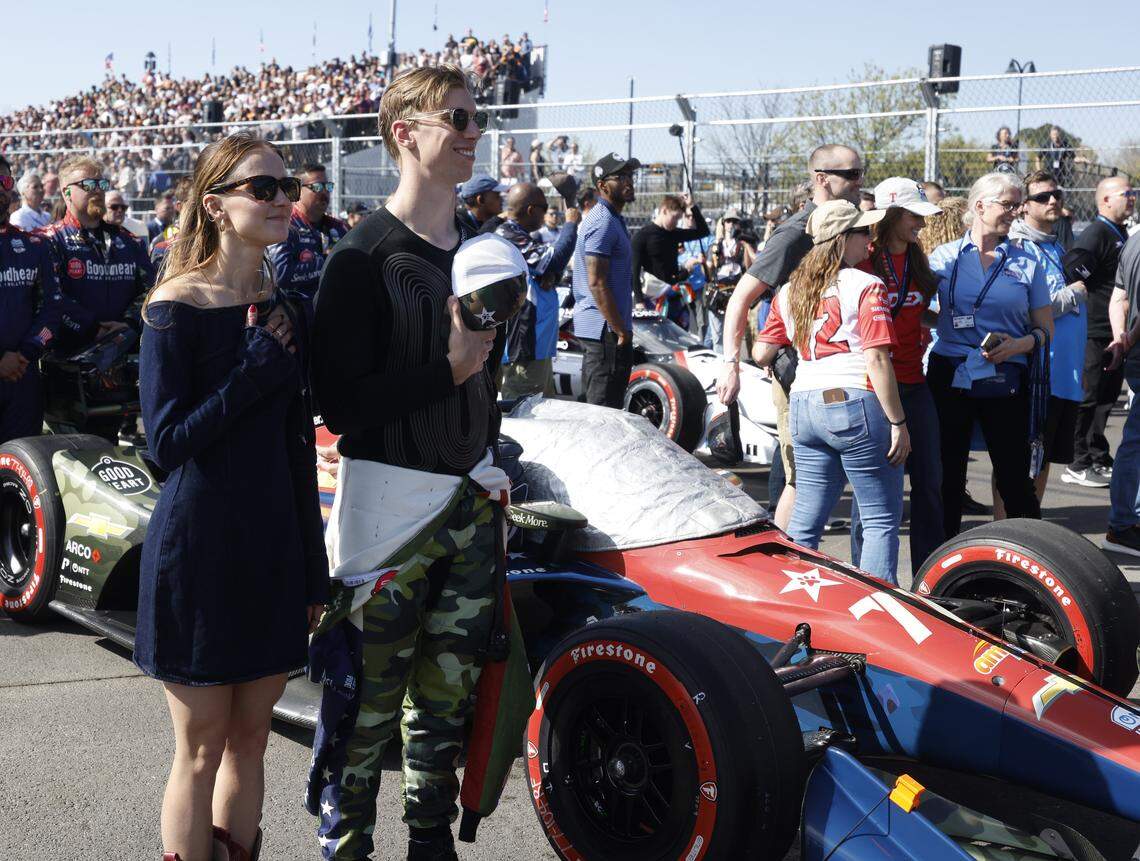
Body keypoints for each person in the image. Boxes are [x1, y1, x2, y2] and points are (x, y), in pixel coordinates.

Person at [309, 65, 509, 861]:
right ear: (405, 134)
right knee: (364, 705)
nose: (471, 132)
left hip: (468, 500)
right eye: (455, 118)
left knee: (446, 698)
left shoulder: (485, 253)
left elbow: (486, 384)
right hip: (388, 512)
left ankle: (429, 839)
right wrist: (448, 373)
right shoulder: (359, 257)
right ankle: (345, 842)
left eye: (475, 117)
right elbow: (342, 405)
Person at [139, 133, 328, 861]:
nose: (283, 199)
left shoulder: (284, 307)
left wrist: (312, 565)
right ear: (216, 205)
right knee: (200, 748)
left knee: (252, 741)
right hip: (199, 547)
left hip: (274, 544)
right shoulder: (173, 307)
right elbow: (166, 444)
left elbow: (297, 448)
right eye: (264, 188)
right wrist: (251, 371)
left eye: (285, 187)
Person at [753, 200, 908, 583]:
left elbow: (761, 352)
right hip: (854, 398)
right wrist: (899, 422)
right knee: (879, 516)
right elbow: (877, 360)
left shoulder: (791, 290)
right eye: (863, 233)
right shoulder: (866, 284)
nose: (870, 242)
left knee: (806, 515)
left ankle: (790, 599)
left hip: (805, 403)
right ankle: (879, 610)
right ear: (841, 240)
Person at [716, 143, 864, 530]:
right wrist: (730, 365)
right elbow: (741, 299)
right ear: (822, 179)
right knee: (798, 475)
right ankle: (780, 555)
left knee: (821, 478)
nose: (859, 181)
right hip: (798, 374)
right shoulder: (797, 232)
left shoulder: (853, 224)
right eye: (850, 174)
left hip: (840, 371)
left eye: (860, 173)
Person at [927, 172, 1054, 538]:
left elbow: (1045, 329)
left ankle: (1035, 562)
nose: (1015, 212)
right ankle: (941, 566)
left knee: (1014, 477)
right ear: (980, 206)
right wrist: (947, 325)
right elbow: (922, 312)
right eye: (1008, 204)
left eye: (1018, 204)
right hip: (950, 371)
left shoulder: (1027, 260)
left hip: (1005, 376)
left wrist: (1017, 344)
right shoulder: (944, 258)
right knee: (947, 475)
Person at [850, 177, 944, 575]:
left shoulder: (920, 259)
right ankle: (863, 575)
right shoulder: (863, 261)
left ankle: (929, 578)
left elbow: (917, 308)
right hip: (874, 387)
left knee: (930, 482)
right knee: (873, 493)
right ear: (890, 215)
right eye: (913, 215)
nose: (921, 224)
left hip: (915, 381)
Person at [997, 170, 1086, 515]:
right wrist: (1075, 295)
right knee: (1018, 461)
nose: (1053, 200)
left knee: (1044, 457)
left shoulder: (1055, 245)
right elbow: (1035, 307)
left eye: (1056, 194)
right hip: (1037, 373)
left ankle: (1031, 529)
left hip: (1065, 375)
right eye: (1041, 197)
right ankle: (1003, 530)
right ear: (1022, 207)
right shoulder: (1019, 247)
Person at [38, 155, 156, 352]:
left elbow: (150, 290)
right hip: (68, 356)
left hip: (124, 351)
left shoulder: (130, 242)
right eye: (89, 184)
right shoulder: (48, 240)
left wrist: (129, 322)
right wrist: (94, 328)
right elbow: (50, 297)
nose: (99, 189)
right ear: (66, 192)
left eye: (102, 183)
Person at [1062, 175, 1135, 487]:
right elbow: (1073, 267)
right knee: (1089, 396)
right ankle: (1077, 462)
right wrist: (1085, 289)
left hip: (1114, 332)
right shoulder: (1097, 232)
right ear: (1106, 200)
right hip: (1094, 330)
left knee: (1107, 397)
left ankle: (1097, 453)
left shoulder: (1120, 232)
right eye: (1126, 193)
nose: (1132, 197)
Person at [0, 156, 64, 444]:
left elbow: (52, 311)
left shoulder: (35, 246)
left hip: (23, 377)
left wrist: (25, 353)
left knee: (21, 472)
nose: (1, 188)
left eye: (5, 181)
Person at [496, 183, 580, 397]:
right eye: (544, 208)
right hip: (525, 343)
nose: (546, 214)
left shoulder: (518, 234)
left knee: (542, 409)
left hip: (537, 343)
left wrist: (550, 275)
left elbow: (546, 268)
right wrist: (570, 224)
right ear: (532, 210)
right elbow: (552, 260)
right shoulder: (507, 234)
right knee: (523, 409)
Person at [571, 152, 640, 408]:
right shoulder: (602, 222)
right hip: (604, 332)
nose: (629, 182)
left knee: (605, 408)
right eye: (621, 176)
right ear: (602, 186)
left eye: (630, 175)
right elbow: (597, 281)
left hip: (608, 331)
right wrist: (620, 330)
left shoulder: (613, 219)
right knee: (600, 414)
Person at [1102, 229, 1140, 554]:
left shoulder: (1133, 242)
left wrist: (1121, 338)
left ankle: (1126, 520)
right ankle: (1125, 521)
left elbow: (1118, 297)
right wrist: (1128, 337)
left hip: (1135, 354)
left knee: (1136, 440)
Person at [268, 163, 348, 301]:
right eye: (317, 187)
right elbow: (280, 274)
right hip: (298, 313)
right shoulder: (286, 225)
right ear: (297, 191)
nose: (324, 192)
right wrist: (329, 263)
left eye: (328, 186)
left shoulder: (338, 227)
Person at [631, 193, 709, 321]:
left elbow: (703, 231)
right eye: (674, 218)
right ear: (664, 211)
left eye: (679, 219)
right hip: (651, 299)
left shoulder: (674, 234)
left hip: (674, 297)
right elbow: (634, 272)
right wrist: (639, 302)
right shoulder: (642, 237)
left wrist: (692, 206)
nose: (676, 223)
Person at [705, 209, 755, 351]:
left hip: (736, 289)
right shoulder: (716, 245)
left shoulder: (742, 243)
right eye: (728, 221)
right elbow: (710, 268)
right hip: (719, 289)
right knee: (717, 335)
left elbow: (748, 266)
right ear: (724, 223)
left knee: (733, 331)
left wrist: (745, 246)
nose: (731, 224)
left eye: (735, 221)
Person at [150, 176, 193, 270]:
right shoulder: (162, 241)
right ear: (179, 206)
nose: (204, 207)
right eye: (195, 203)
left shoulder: (215, 237)